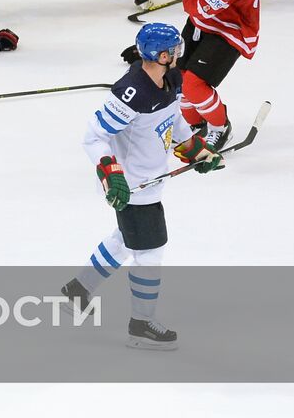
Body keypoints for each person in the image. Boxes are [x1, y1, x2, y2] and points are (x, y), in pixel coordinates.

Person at [58, 22, 223, 351]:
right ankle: (141, 324)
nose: (179, 53)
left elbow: (174, 120)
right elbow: (94, 137)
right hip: (130, 185)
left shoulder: (172, 78)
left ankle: (78, 290)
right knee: (150, 250)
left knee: (126, 241)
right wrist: (112, 175)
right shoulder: (131, 92)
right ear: (162, 55)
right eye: (174, 50)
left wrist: (195, 148)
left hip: (150, 179)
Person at [151, 0, 259, 151]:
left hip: (231, 29)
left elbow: (192, 7)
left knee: (193, 85)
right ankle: (195, 124)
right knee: (177, 79)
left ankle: (220, 127)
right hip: (208, 20)